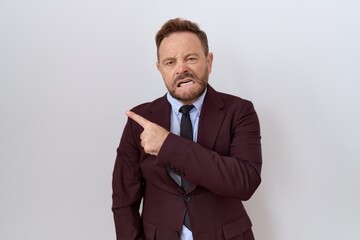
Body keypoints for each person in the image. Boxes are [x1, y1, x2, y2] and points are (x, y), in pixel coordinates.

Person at [112, 17, 262, 240]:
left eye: (190, 58)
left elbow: (245, 182)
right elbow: (124, 201)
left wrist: (167, 146)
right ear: (160, 69)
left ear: (208, 62)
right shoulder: (140, 119)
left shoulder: (240, 111)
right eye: (170, 62)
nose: (181, 69)